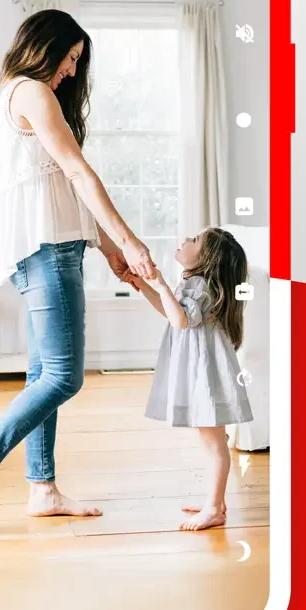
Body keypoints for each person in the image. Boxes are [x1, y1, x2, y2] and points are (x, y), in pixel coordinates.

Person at [0, 9, 156, 535]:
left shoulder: (4, 98)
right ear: (47, 45)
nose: (69, 70)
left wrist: (108, 250)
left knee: (43, 375)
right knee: (64, 377)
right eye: (70, 57)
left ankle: (42, 489)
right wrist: (129, 240)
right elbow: (80, 174)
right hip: (50, 253)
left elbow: (60, 190)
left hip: (35, 253)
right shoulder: (32, 92)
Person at [123, 227, 253, 531]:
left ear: (207, 258)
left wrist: (160, 282)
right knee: (208, 440)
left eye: (194, 240)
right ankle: (215, 501)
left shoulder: (202, 286)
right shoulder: (194, 283)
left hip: (207, 375)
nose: (185, 240)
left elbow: (182, 320)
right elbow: (171, 313)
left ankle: (213, 508)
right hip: (200, 371)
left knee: (213, 442)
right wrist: (142, 283)